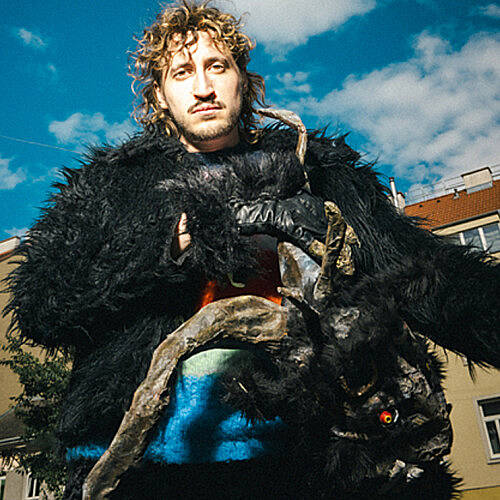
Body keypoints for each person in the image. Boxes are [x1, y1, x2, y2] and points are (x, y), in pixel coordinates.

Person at [5, 1, 499, 499]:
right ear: (159, 95)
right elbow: (42, 301)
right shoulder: (111, 187)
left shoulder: (316, 173)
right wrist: (165, 246)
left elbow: (427, 275)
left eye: (217, 66)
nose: (203, 87)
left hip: (301, 462)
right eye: (182, 73)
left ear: (243, 78)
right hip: (142, 468)